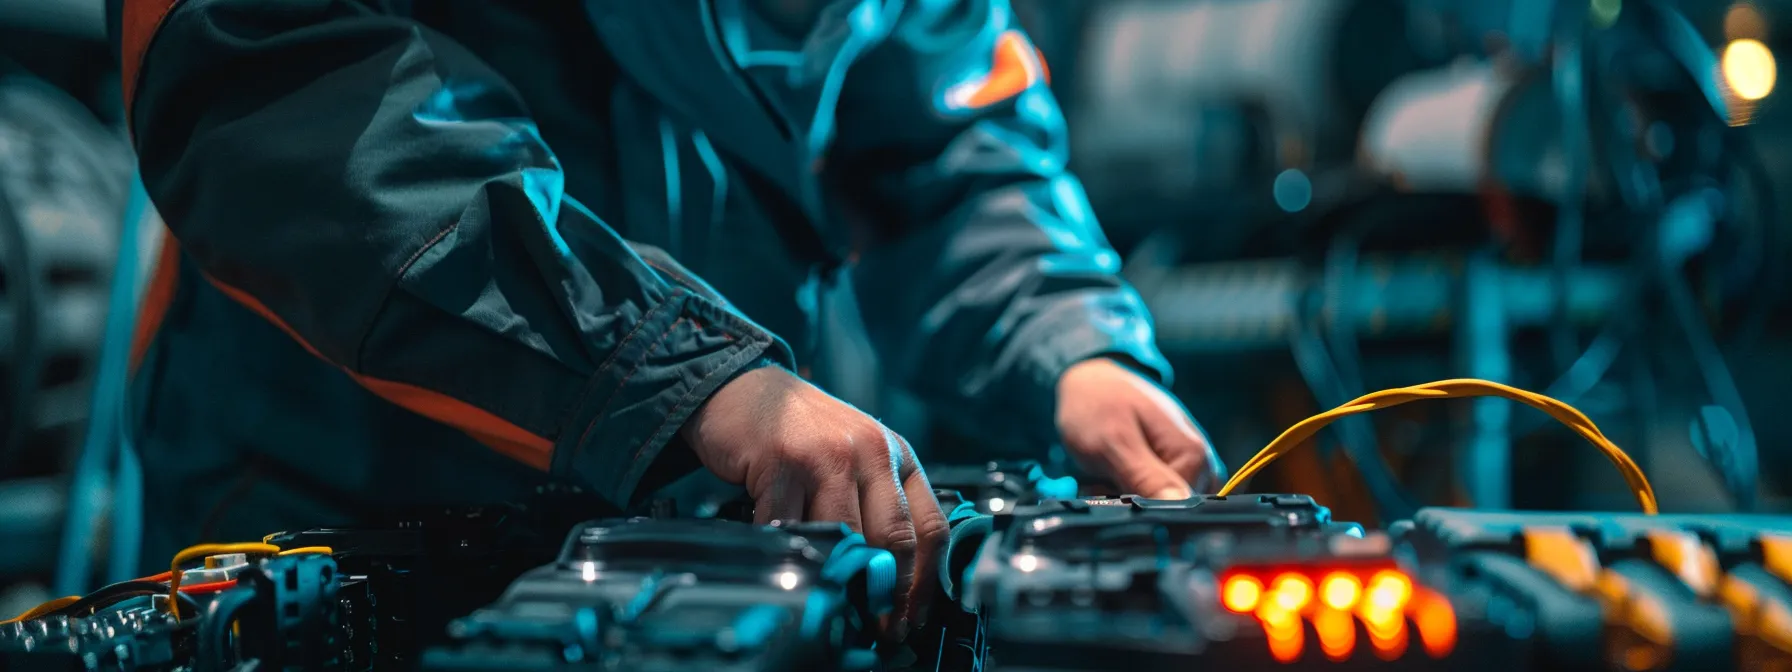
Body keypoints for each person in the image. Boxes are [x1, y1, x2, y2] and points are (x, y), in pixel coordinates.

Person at [114, 0, 1221, 636]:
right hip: (345, 516)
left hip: (720, 538)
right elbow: (283, 85)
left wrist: (1070, 347)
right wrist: (673, 377)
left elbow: (943, 139)